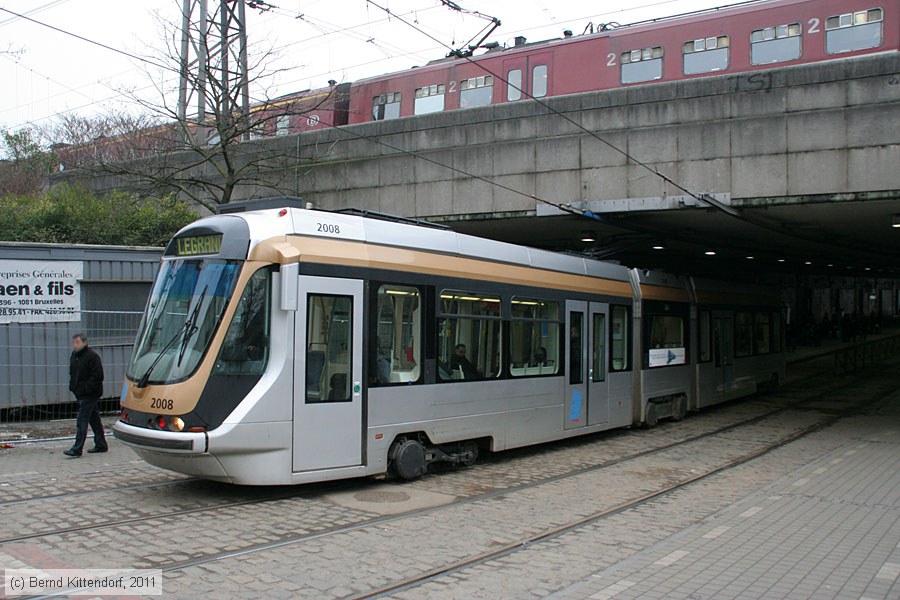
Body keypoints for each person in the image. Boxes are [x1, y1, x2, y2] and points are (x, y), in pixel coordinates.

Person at [64, 333, 107, 457]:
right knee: (94, 419)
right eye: (74, 342)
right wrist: (73, 387)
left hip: (90, 394)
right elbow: (73, 373)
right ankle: (101, 444)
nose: (75, 345)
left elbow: (98, 376)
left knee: (82, 419)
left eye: (77, 342)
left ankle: (77, 448)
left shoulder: (92, 357)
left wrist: (86, 388)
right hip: (81, 393)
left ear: (84, 342)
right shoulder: (75, 356)